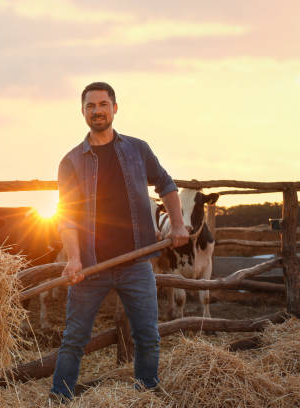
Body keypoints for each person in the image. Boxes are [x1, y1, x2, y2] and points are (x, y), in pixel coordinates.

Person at [50, 82, 189, 401]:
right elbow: (66, 216)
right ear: (82, 112)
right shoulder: (71, 161)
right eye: (90, 106)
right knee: (74, 339)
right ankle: (59, 398)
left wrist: (177, 225)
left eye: (102, 104)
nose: (97, 110)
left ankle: (147, 394)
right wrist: (73, 258)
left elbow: (166, 184)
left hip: (137, 261)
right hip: (91, 265)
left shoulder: (137, 149)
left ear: (115, 107)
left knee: (147, 336)